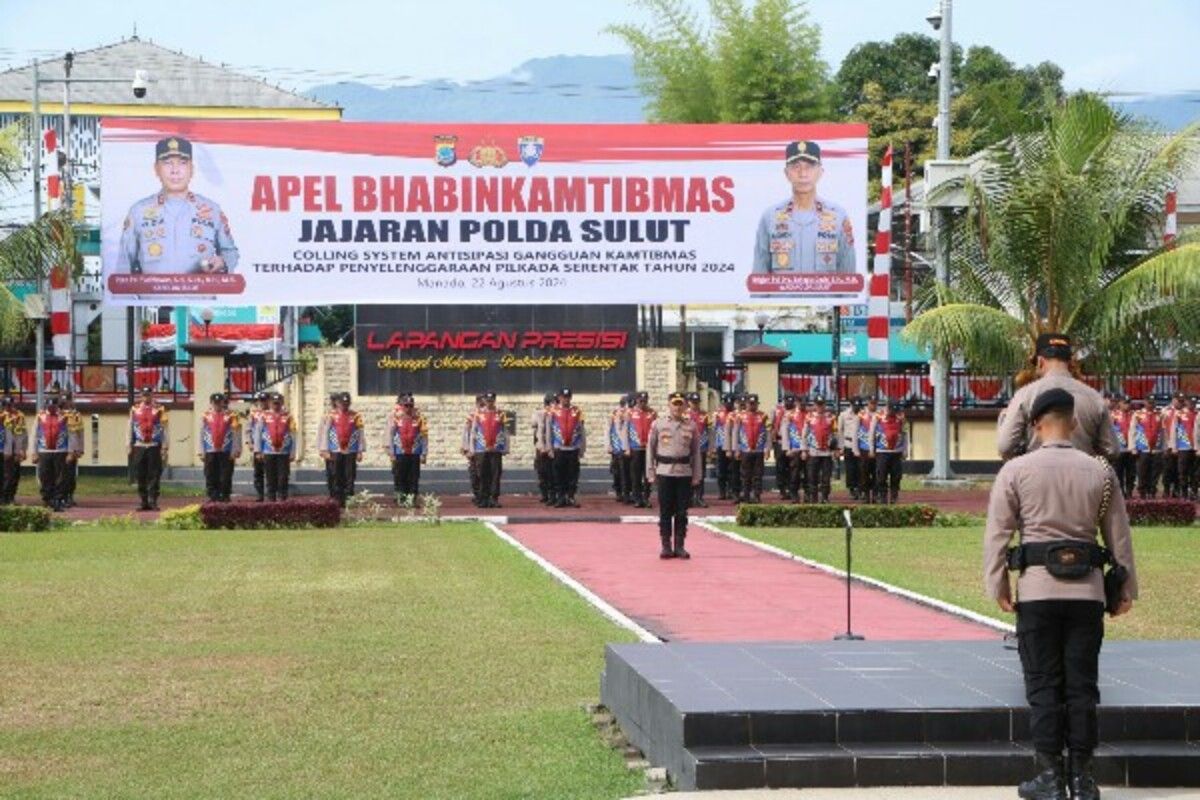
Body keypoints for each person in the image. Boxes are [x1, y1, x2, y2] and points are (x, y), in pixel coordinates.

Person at [983, 388, 1137, 800]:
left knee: (1043, 684)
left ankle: (1049, 777)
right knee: (1082, 686)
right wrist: (1125, 589)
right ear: (1073, 422)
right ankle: (1083, 779)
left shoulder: (1016, 471)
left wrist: (997, 583)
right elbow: (1118, 536)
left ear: (1035, 425)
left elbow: (997, 535)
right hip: (1086, 593)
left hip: (1036, 592)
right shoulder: (1100, 471)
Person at [116, 136, 239, 275]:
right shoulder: (138, 212)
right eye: (168, 163)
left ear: (191, 169)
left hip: (199, 296)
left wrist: (222, 262)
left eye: (182, 163)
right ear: (156, 169)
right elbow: (123, 264)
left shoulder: (211, 210)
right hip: (152, 296)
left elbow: (230, 252)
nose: (175, 170)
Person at [997, 334, 1119, 460]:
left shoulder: (1025, 395)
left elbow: (1005, 447)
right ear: (1071, 362)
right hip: (1082, 474)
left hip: (1037, 474)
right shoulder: (1094, 397)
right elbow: (1112, 450)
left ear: (1040, 362)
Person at [752, 140, 855, 274]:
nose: (803, 174)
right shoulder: (770, 217)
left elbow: (848, 277)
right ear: (786, 173)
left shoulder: (838, 216)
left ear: (820, 172)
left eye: (810, 166)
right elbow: (759, 276)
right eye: (796, 167)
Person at [648, 391, 703, 559]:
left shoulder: (691, 426)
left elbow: (696, 452)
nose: (677, 407)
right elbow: (650, 450)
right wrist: (651, 472)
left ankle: (679, 546)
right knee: (665, 511)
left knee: (681, 511)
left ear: (685, 406)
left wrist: (696, 475)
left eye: (680, 404)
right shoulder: (658, 424)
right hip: (664, 472)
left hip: (684, 472)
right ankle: (666, 545)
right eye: (674, 403)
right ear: (669, 405)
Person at [31, 393, 79, 511]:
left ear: (57, 406)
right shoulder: (40, 417)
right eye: (49, 406)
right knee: (45, 476)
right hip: (44, 451)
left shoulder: (65, 417)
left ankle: (58, 499)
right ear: (46, 406)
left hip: (61, 451)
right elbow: (34, 435)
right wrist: (34, 452)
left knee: (61, 476)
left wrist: (71, 452)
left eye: (53, 406)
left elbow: (71, 435)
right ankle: (47, 498)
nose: (51, 408)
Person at [318, 391, 364, 507]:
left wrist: (360, 450)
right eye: (342, 403)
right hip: (335, 450)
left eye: (347, 402)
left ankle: (349, 499)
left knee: (349, 475)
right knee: (336, 475)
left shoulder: (356, 415)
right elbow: (325, 433)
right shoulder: (330, 415)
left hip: (350, 450)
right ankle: (336, 499)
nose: (344, 405)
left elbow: (360, 433)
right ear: (338, 403)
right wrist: (324, 449)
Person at [128, 386, 168, 511]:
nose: (146, 397)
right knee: (140, 474)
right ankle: (143, 501)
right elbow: (129, 427)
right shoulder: (134, 409)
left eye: (148, 394)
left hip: (154, 446)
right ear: (141, 395)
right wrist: (128, 444)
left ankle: (153, 500)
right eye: (144, 395)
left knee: (154, 474)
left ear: (152, 395)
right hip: (139, 445)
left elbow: (165, 429)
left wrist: (165, 446)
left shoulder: (159, 409)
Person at [545, 387, 586, 508]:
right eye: (563, 397)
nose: (565, 400)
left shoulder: (577, 411)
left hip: (573, 448)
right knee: (559, 474)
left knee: (572, 474)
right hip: (559, 448)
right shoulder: (552, 411)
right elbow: (549, 431)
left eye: (568, 397)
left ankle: (571, 496)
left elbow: (582, 430)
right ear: (559, 398)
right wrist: (549, 448)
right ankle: (561, 497)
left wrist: (582, 448)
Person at [468, 391, 509, 508]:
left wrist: (506, 447)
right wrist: (472, 448)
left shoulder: (500, 414)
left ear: (494, 401)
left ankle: (493, 498)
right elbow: (473, 432)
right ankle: (483, 498)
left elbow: (505, 432)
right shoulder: (478, 414)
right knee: (482, 474)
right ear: (485, 401)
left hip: (496, 449)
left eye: (492, 400)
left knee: (495, 474)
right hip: (481, 449)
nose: (490, 403)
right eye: (488, 400)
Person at [198, 392, 241, 502]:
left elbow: (236, 433)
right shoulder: (205, 416)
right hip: (210, 450)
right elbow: (201, 434)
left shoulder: (231, 416)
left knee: (226, 475)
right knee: (210, 474)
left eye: (219, 402)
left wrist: (235, 450)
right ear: (211, 403)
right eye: (215, 402)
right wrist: (201, 451)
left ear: (223, 402)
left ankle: (225, 495)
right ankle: (213, 496)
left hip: (226, 450)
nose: (217, 404)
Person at [386, 393, 427, 501]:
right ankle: (401, 497)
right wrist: (391, 452)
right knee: (400, 476)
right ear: (402, 406)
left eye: (410, 405)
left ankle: (412, 498)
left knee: (413, 477)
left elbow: (424, 437)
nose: (408, 408)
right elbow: (390, 436)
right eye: (406, 405)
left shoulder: (419, 419)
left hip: (414, 452)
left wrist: (424, 453)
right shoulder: (396, 419)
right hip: (400, 452)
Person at [733, 394, 771, 504]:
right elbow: (736, 433)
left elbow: (768, 433)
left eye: (754, 404)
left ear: (757, 404)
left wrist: (767, 449)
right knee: (745, 474)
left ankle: (757, 495)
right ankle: (746, 496)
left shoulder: (764, 416)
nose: (752, 406)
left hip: (759, 450)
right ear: (746, 404)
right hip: (745, 450)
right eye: (750, 404)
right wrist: (736, 449)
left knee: (758, 474)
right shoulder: (740, 416)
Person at [259, 393, 296, 501]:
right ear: (270, 403)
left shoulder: (288, 416)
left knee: (283, 477)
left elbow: (293, 434)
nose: (276, 406)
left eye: (278, 403)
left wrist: (293, 452)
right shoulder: (264, 416)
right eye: (274, 403)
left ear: (282, 403)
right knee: (270, 477)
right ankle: (271, 499)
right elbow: (258, 433)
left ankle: (282, 498)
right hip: (268, 451)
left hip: (284, 452)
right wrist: (258, 450)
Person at [869, 402, 907, 504]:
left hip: (896, 451)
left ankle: (894, 495)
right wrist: (872, 449)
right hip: (882, 451)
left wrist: (905, 450)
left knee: (896, 475)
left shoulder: (901, 419)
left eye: (895, 410)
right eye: (891, 410)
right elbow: (871, 433)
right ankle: (882, 495)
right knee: (881, 475)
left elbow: (905, 434)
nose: (893, 412)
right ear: (887, 408)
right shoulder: (878, 417)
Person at [803, 396, 838, 504]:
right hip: (813, 452)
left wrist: (836, 449)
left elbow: (836, 434)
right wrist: (804, 450)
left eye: (822, 404)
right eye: (818, 404)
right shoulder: (809, 417)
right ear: (814, 405)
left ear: (825, 405)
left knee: (826, 478)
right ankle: (813, 498)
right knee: (812, 476)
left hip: (827, 453)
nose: (820, 407)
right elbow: (804, 434)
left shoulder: (831, 417)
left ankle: (825, 497)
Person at [625, 391, 657, 508]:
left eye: (645, 401)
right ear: (637, 400)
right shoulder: (630, 413)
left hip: (648, 448)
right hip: (635, 448)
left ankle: (646, 497)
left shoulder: (652, 413)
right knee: (636, 475)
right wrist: (626, 447)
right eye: (640, 401)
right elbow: (625, 431)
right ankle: (637, 498)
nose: (643, 403)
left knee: (648, 474)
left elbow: (655, 431)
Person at [1130, 396, 1163, 499]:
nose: (1151, 404)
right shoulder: (1138, 414)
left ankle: (1152, 491)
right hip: (1142, 448)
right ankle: (1142, 491)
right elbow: (1132, 431)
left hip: (1156, 449)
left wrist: (1164, 447)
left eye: (1152, 402)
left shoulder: (1159, 414)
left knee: (1155, 472)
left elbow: (1163, 432)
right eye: (1149, 402)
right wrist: (1133, 447)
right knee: (1142, 471)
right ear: (1145, 402)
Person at [685, 392, 711, 508]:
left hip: (702, 447)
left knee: (701, 473)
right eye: (693, 402)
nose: (695, 405)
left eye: (697, 402)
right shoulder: (684, 415)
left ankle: (699, 497)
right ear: (689, 403)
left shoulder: (705, 415)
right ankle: (689, 497)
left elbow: (710, 431)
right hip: (687, 448)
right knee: (688, 473)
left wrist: (711, 447)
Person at [780, 399, 808, 503]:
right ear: (797, 403)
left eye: (804, 403)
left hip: (807, 449)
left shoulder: (809, 414)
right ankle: (794, 494)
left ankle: (807, 494)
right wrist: (787, 448)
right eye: (800, 403)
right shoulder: (789, 415)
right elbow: (785, 432)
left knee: (808, 473)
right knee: (795, 473)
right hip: (794, 448)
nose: (802, 405)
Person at [0, 395, 27, 505]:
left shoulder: (19, 416)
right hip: (2, 450)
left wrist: (22, 450)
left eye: (10, 405)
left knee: (13, 475)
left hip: (14, 451)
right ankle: (2, 497)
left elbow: (23, 435)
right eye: (5, 405)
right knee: (3, 475)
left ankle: (10, 496)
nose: (8, 407)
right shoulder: (1, 416)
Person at [60, 392, 84, 508]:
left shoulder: (76, 415)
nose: (66, 403)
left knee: (70, 474)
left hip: (72, 449)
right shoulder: (56, 414)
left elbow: (80, 433)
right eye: (63, 401)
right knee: (59, 475)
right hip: (59, 448)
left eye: (68, 400)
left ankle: (69, 495)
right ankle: (60, 496)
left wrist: (80, 448)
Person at [532, 392, 555, 505]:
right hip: (541, 447)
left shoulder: (556, 413)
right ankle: (544, 493)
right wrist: (544, 415)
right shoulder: (539, 413)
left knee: (553, 471)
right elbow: (533, 423)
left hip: (553, 446)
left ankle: (552, 494)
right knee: (542, 471)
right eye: (551, 403)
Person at [773, 395, 798, 500]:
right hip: (779, 441)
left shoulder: (796, 413)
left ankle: (791, 489)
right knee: (780, 467)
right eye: (787, 401)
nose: (789, 403)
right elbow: (771, 426)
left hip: (792, 443)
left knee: (792, 467)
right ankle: (782, 490)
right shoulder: (776, 411)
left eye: (791, 401)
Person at [713, 394, 737, 501]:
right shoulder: (717, 414)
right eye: (726, 402)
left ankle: (731, 490)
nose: (728, 404)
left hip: (733, 446)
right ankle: (721, 491)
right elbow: (713, 430)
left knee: (733, 470)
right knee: (721, 470)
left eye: (730, 402)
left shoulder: (737, 414)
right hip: (720, 445)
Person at [246, 391, 270, 502]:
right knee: (258, 472)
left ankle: (271, 494)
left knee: (270, 472)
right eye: (261, 400)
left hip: (270, 447)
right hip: (257, 446)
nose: (263, 403)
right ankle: (260, 494)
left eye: (265, 400)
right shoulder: (254, 414)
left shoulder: (274, 412)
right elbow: (248, 429)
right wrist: (249, 442)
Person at [1111, 395, 1136, 498]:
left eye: (1128, 403)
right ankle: (1121, 492)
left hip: (1131, 449)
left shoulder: (1135, 415)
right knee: (1118, 472)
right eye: (1125, 403)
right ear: (1119, 403)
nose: (1127, 405)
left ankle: (1129, 491)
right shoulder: (1113, 415)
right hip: (1119, 448)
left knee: (1131, 473)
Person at [461, 394, 484, 506]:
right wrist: (466, 448)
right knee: (475, 473)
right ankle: (477, 494)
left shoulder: (490, 414)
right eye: (480, 402)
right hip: (474, 449)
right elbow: (466, 433)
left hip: (485, 450)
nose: (482, 404)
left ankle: (484, 495)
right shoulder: (472, 416)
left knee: (485, 474)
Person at [607, 394, 630, 503]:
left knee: (627, 472)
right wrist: (608, 445)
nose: (624, 408)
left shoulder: (629, 415)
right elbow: (607, 431)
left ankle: (626, 493)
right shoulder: (613, 415)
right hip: (616, 448)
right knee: (617, 472)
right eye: (623, 405)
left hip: (626, 448)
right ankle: (619, 492)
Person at [856, 397, 879, 502]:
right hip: (864, 447)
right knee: (863, 472)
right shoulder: (861, 414)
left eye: (875, 403)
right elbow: (855, 431)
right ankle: (864, 493)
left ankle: (875, 494)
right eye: (871, 403)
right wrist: (855, 448)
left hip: (877, 447)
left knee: (876, 472)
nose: (873, 405)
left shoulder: (880, 414)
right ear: (868, 403)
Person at [839, 397, 862, 500]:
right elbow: (840, 431)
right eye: (855, 405)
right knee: (850, 468)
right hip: (848, 443)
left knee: (861, 468)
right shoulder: (844, 415)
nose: (857, 407)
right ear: (851, 404)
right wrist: (841, 446)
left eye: (858, 405)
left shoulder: (862, 414)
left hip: (861, 444)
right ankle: (852, 488)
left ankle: (860, 488)